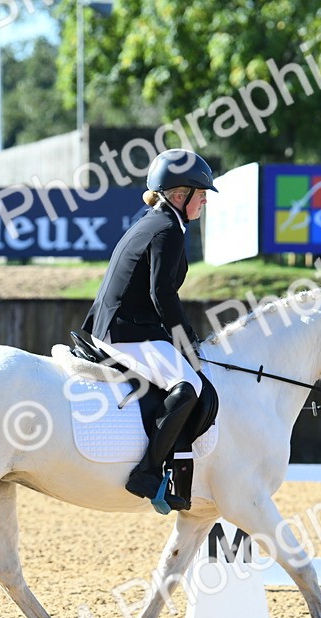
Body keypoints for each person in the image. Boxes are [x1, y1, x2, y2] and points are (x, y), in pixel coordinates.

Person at [82, 149, 217, 512]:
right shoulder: (168, 230)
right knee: (187, 388)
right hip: (127, 332)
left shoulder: (151, 221)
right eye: (200, 193)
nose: (204, 199)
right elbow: (162, 293)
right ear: (178, 195)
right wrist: (185, 339)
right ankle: (147, 472)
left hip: (117, 324)